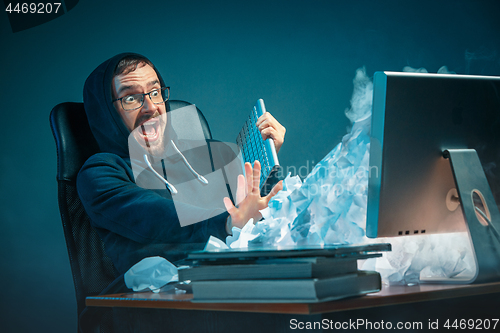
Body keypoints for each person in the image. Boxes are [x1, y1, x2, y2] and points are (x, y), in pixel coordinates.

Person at [77, 53, 286, 275]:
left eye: (155, 93)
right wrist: (227, 224)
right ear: (106, 114)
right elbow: (155, 218)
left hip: (237, 273)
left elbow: (252, 205)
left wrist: (268, 156)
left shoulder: (205, 153)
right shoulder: (101, 172)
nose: (150, 107)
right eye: (130, 98)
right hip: (163, 298)